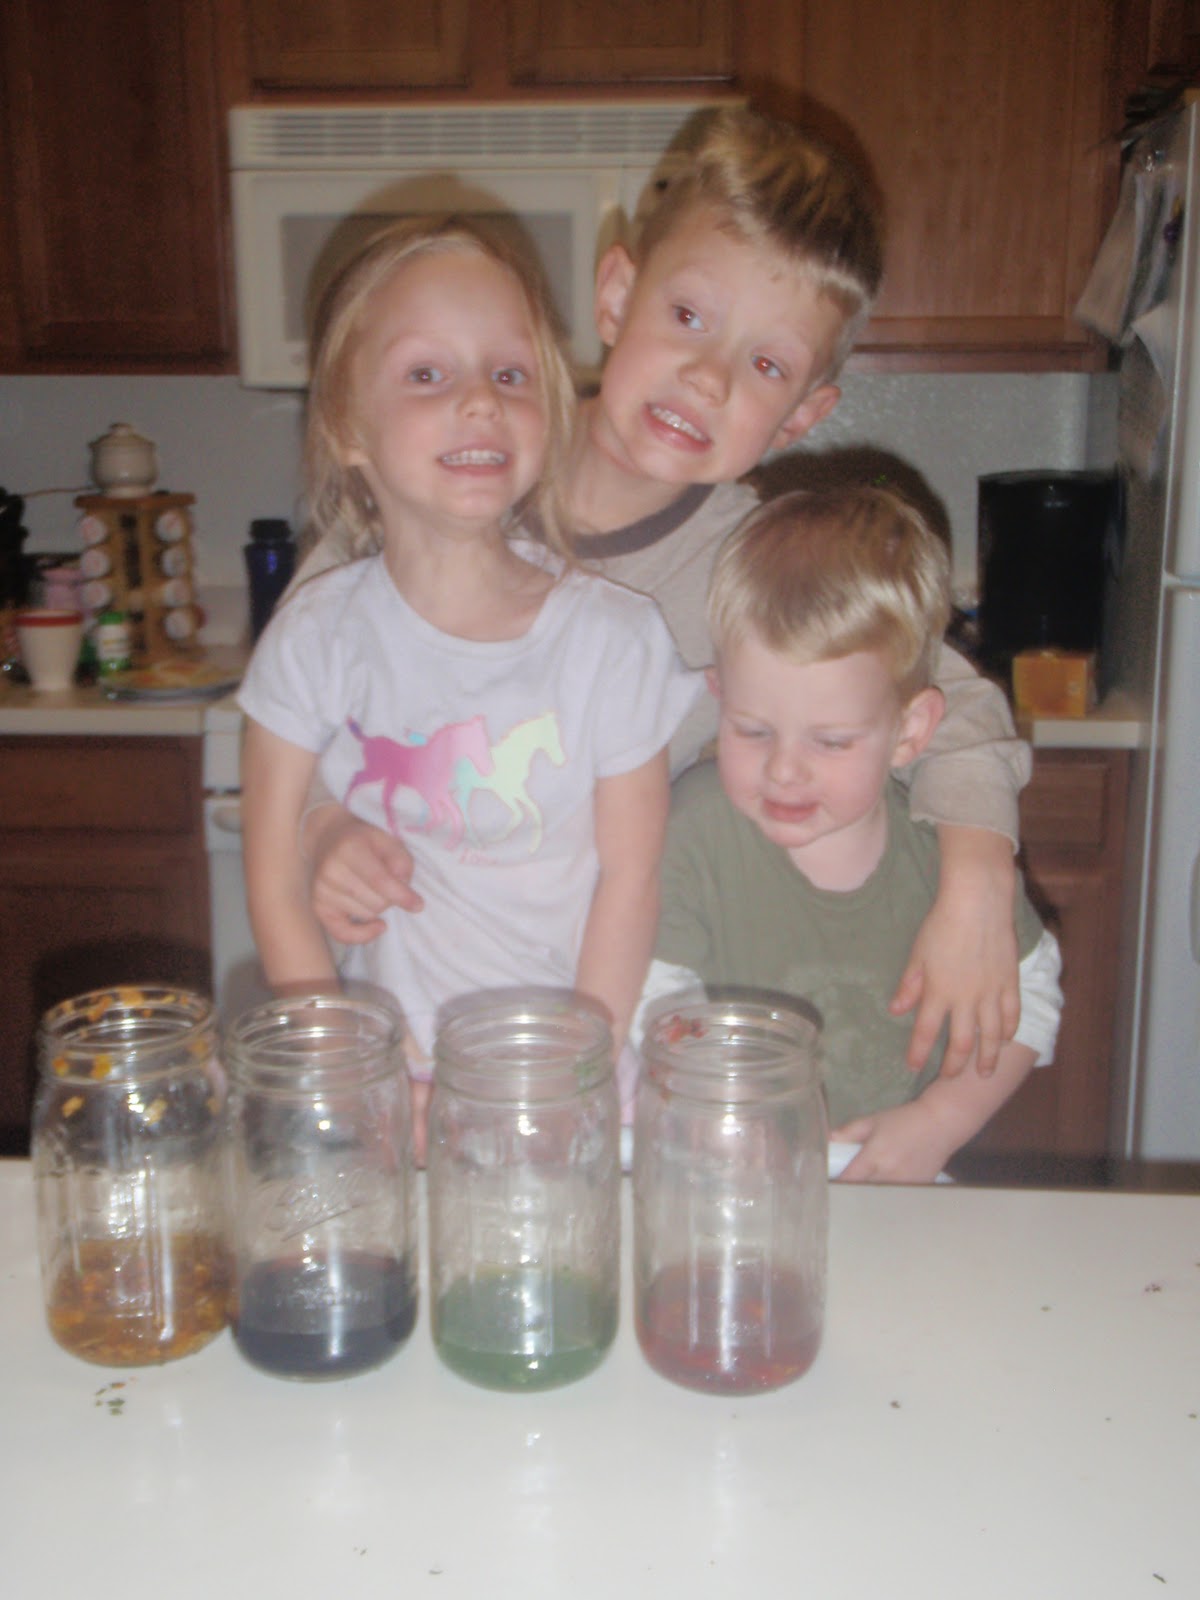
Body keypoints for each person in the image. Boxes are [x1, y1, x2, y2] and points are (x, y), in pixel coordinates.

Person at [297, 105, 1030, 1082]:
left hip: (612, 1052)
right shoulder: (448, 467)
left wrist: (978, 881)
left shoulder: (759, 564)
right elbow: (294, 697)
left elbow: (951, 701)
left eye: (765, 364)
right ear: (616, 296)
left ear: (800, 415)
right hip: (406, 1026)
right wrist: (320, 823)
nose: (707, 378)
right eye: (687, 317)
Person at [237, 217, 700, 1147]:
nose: (482, 401)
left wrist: (575, 1075)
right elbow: (273, 870)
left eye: (511, 374)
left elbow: (632, 880)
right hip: (388, 1082)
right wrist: (345, 1071)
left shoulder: (614, 640)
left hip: (568, 1076)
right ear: (348, 427)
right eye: (426, 374)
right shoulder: (316, 634)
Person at [650, 486, 1063, 1183]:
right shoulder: (691, 830)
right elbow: (652, 1001)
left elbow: (1031, 1005)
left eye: (832, 741)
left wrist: (940, 1122)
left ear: (910, 731)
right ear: (718, 694)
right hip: (722, 1182)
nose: (783, 770)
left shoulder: (940, 852)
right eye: (753, 730)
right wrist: (720, 1107)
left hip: (896, 1184)